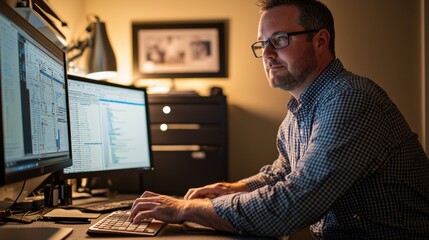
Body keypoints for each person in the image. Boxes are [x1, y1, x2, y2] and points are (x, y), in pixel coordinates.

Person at [127, 0, 429, 239]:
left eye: (280, 40)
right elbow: (281, 172)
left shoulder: (349, 99)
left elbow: (293, 204)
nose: (267, 54)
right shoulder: (300, 109)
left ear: (320, 41)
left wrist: (186, 208)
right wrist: (235, 187)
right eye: (262, 44)